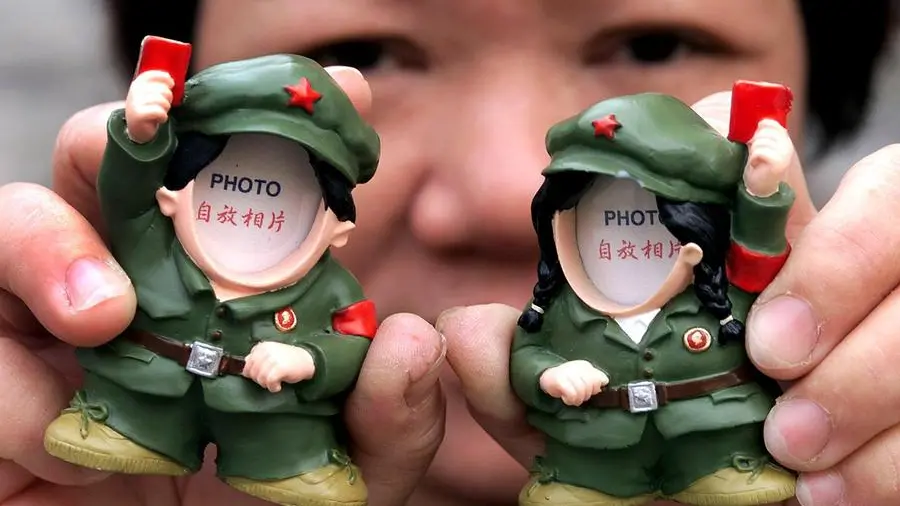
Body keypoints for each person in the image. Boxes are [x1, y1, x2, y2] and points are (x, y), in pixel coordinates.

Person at [0, 1, 897, 505]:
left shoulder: (721, 293)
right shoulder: (153, 249)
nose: (509, 189)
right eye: (364, 50)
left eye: (651, 45)